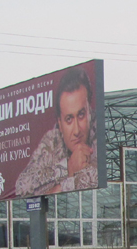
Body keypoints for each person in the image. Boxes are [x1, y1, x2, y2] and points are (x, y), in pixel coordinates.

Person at [15, 66, 99, 197]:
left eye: (81, 115)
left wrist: (56, 187)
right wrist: (67, 167)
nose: (76, 130)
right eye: (69, 119)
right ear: (60, 123)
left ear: (89, 111)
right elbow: (21, 187)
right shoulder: (53, 139)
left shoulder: (101, 133)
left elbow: (94, 182)